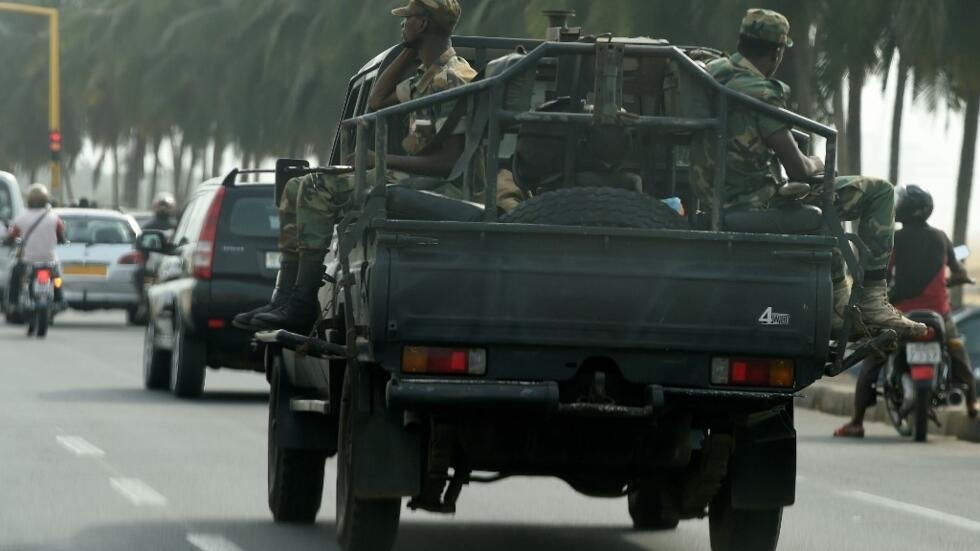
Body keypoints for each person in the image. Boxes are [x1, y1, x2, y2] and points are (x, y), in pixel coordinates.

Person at [234, 0, 475, 332]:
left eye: (408, 20)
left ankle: (302, 305)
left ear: (423, 25)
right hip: (414, 175)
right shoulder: (427, 75)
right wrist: (408, 49)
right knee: (295, 186)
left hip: (435, 186)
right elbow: (377, 101)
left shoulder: (453, 79)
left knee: (318, 187)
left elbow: (448, 163)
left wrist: (381, 160)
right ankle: (285, 296)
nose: (402, 25)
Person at [691, 9, 926, 338]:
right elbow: (797, 166)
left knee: (818, 203)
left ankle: (839, 307)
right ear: (776, 53)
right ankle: (873, 300)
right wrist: (818, 164)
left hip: (717, 201)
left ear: (742, 42)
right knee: (879, 191)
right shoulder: (759, 90)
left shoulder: (707, 74)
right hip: (756, 205)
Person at [834, 185, 978, 437]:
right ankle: (972, 404)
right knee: (957, 350)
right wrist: (952, 282)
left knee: (873, 359)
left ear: (907, 210)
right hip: (938, 314)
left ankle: (856, 422)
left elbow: (884, 274)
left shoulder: (895, 239)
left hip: (901, 314)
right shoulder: (942, 238)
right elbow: (959, 272)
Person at [4, 184, 65, 306]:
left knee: (15, 276)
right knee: (57, 279)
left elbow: (11, 237)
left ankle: (13, 302)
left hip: (27, 261)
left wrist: (7, 242)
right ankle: (59, 299)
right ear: (45, 200)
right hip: (49, 260)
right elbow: (61, 236)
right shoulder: (54, 219)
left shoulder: (20, 219)